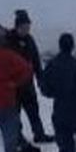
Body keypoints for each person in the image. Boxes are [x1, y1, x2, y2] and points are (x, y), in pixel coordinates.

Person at [7, 9, 53, 144]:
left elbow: (36, 60)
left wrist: (40, 79)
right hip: (13, 85)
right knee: (14, 113)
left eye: (28, 27)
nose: (27, 30)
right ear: (17, 27)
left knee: (33, 110)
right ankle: (17, 137)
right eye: (24, 27)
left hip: (27, 83)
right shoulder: (8, 41)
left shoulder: (29, 40)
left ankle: (39, 134)